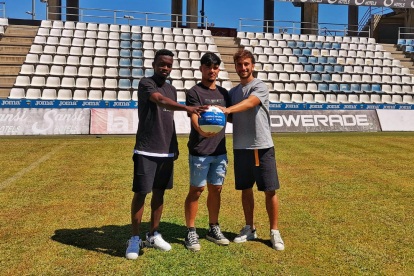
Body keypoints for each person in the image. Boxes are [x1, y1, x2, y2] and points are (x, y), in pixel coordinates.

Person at [126, 49, 207, 260]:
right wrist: (189, 108)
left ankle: (153, 234)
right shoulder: (146, 83)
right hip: (146, 148)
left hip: (166, 150)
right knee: (141, 193)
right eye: (162, 64)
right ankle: (135, 238)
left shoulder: (172, 89)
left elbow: (168, 119)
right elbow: (160, 100)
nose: (166, 68)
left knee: (159, 193)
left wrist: (174, 145)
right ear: (154, 64)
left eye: (169, 65)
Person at [218, 49, 284, 251]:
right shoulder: (232, 93)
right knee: (245, 190)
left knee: (269, 190)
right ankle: (250, 228)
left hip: (261, 146)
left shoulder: (259, 86)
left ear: (252, 66)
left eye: (246, 64)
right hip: (240, 147)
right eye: (239, 65)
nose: (243, 68)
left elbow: (249, 103)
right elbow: (228, 116)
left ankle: (274, 231)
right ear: (235, 67)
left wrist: (228, 109)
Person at [184, 53, 230, 251]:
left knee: (216, 189)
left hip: (220, 151)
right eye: (208, 67)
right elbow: (193, 115)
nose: (212, 70)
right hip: (200, 150)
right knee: (197, 190)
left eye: (215, 67)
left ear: (219, 69)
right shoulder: (194, 92)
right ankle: (190, 231)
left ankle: (213, 227)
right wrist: (201, 130)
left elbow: (230, 116)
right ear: (201, 68)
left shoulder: (224, 93)